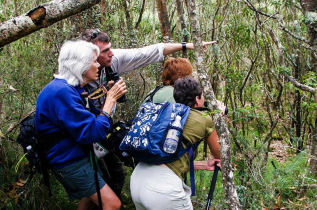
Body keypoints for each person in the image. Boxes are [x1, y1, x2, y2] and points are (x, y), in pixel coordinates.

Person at [79, 29, 217, 197]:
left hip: (106, 131)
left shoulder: (112, 61)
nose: (111, 54)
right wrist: (110, 97)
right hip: (84, 134)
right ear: (89, 56)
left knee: (115, 176)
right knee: (100, 184)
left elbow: (149, 52)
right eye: (105, 51)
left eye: (110, 48)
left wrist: (189, 46)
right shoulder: (77, 75)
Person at [35, 40, 127, 210]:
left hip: (76, 156)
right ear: (81, 66)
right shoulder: (61, 93)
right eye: (93, 61)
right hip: (69, 161)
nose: (97, 65)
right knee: (112, 204)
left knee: (88, 200)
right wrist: (110, 100)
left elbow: (86, 120)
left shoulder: (69, 88)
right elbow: (93, 131)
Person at [130, 76, 221, 210]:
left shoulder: (167, 114)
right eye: (202, 96)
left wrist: (203, 164)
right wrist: (219, 117)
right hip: (163, 190)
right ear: (197, 99)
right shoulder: (204, 119)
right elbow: (220, 154)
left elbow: (167, 158)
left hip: (138, 181)